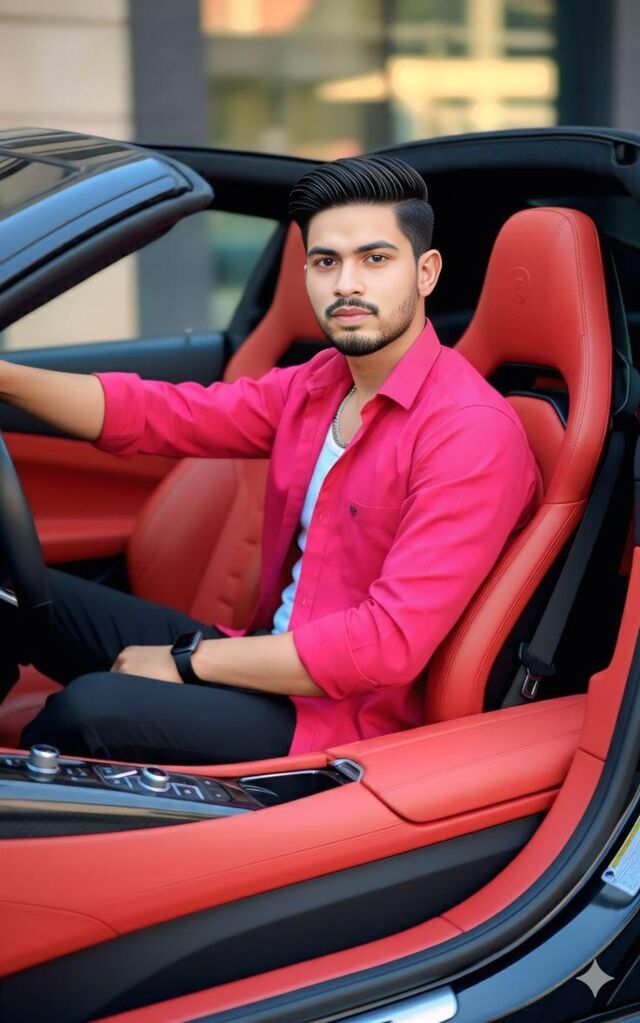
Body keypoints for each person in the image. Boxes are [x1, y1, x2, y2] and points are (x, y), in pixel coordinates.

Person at [0, 155, 539, 765]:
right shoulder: (319, 384)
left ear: (426, 272)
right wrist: (5, 379)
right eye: (326, 262)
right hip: (264, 657)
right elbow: (160, 414)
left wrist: (187, 662)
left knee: (84, 711)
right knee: (12, 591)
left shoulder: (469, 430)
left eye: (375, 259)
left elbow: (386, 643)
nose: (347, 284)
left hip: (340, 721)